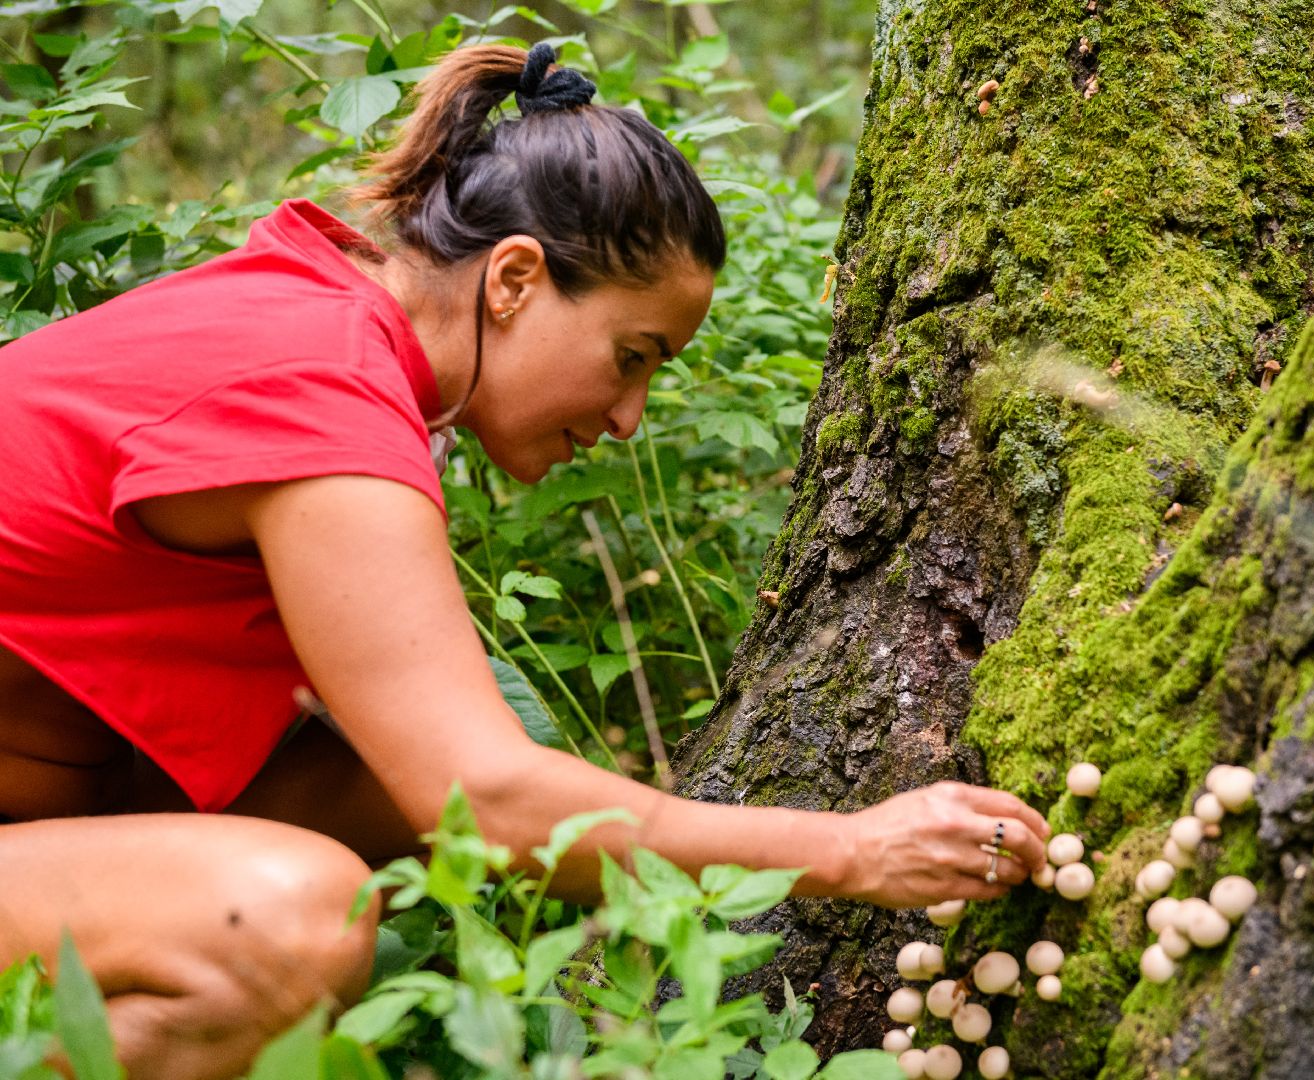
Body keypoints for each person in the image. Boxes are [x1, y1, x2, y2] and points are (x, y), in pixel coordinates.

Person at [0, 42, 1049, 1079]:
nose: (631, 417)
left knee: (390, 795)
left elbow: (444, 788)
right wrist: (853, 852)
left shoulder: (325, 318)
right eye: (630, 357)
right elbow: (488, 800)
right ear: (512, 279)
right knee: (293, 920)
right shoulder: (317, 387)